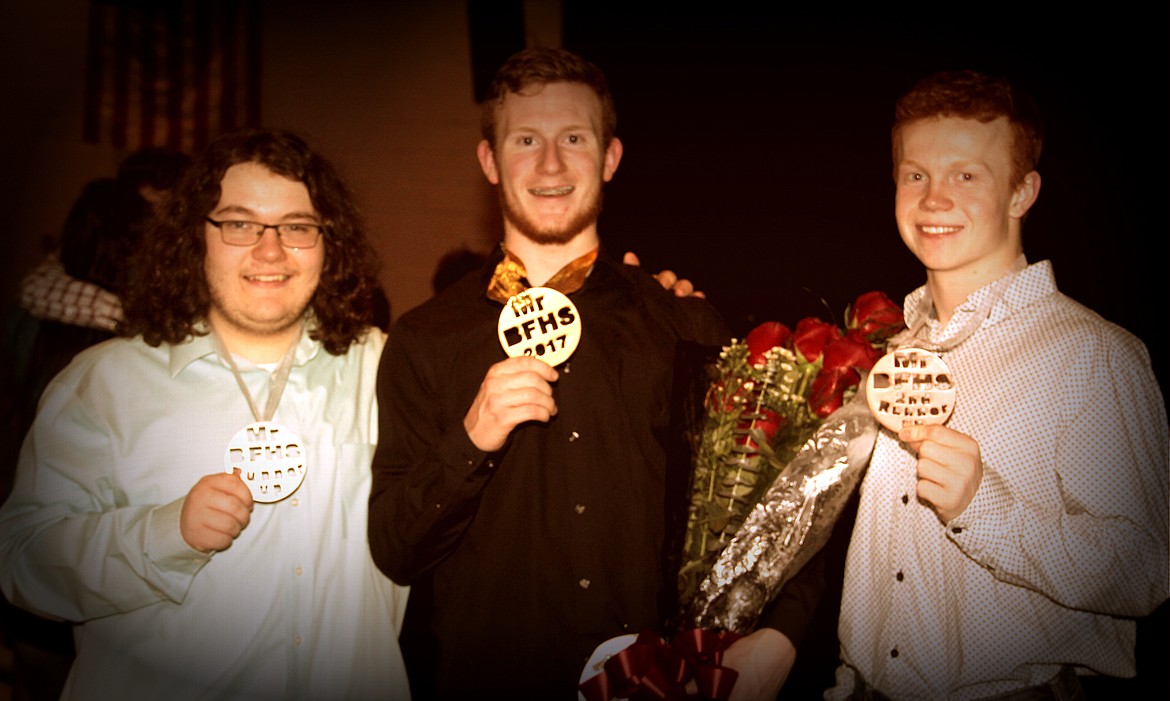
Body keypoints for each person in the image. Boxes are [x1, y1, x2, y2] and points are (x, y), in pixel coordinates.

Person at [367, 46, 821, 700]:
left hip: (663, 684)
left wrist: (782, 635)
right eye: (526, 139)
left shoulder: (684, 324)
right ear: (490, 161)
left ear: (610, 157)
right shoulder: (424, 337)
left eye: (574, 138)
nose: (550, 164)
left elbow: (773, 511)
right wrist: (470, 439)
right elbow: (395, 550)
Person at [0, 129, 411, 700]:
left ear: (327, 242)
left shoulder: (381, 368)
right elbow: (21, 564)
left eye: (296, 227)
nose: (270, 251)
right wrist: (164, 534)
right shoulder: (105, 384)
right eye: (239, 224)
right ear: (197, 237)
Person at [827, 70, 1168, 700]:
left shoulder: (1092, 354)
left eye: (965, 175)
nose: (933, 200)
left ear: (1022, 192)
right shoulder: (888, 354)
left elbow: (1141, 572)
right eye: (915, 175)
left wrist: (984, 507)